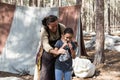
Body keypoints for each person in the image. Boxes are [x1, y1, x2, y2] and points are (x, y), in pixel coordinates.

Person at [39, 15, 66, 80]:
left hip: (58, 49)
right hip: (48, 51)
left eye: (56, 25)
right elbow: (46, 45)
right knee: (46, 72)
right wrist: (56, 52)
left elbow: (67, 36)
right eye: (52, 26)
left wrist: (69, 43)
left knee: (58, 71)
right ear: (48, 25)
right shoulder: (44, 30)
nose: (55, 28)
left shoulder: (61, 27)